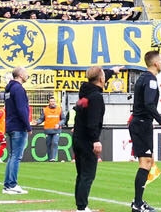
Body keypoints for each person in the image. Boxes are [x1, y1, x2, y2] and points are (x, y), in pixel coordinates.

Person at [129, 50, 161, 212]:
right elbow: (149, 104)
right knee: (145, 162)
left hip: (142, 122)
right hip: (142, 124)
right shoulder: (151, 80)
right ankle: (137, 203)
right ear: (155, 63)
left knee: (147, 162)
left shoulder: (143, 77)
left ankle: (138, 202)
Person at [73, 66, 106, 212]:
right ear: (101, 79)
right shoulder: (96, 97)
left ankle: (80, 205)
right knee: (88, 175)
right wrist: (95, 140)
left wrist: (113, 71)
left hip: (78, 137)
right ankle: (82, 207)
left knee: (81, 174)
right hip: (87, 140)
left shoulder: (85, 93)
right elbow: (93, 121)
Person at [3, 67, 32, 194]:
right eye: (26, 73)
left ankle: (7, 185)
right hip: (18, 126)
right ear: (20, 75)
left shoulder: (9, 89)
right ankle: (12, 184)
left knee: (12, 156)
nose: (27, 75)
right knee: (16, 157)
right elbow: (22, 109)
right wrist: (28, 126)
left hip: (10, 125)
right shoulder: (19, 89)